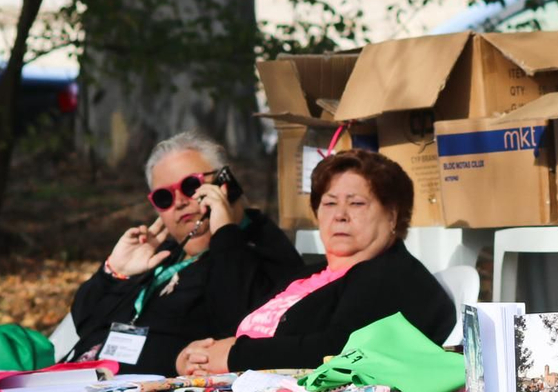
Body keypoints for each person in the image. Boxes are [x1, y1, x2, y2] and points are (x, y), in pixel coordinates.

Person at [176, 149, 454, 373]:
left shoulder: (391, 275)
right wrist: (198, 355)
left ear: (393, 215)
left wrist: (236, 357)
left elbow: (338, 348)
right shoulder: (310, 276)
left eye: (356, 203)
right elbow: (241, 322)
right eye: (330, 203)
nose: (340, 215)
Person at [66, 131, 304, 376]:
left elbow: (236, 320)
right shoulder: (161, 254)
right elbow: (84, 322)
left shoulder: (255, 250)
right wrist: (115, 273)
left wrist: (225, 230)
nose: (179, 202)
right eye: (164, 197)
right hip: (85, 382)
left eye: (191, 186)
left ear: (226, 184)